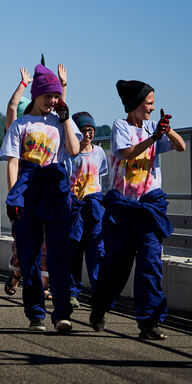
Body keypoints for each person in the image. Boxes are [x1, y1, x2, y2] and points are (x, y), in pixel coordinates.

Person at [90, 81, 185, 340]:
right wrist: (153, 138)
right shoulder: (120, 127)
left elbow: (181, 146)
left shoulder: (154, 127)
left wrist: (167, 129)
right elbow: (128, 154)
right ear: (135, 104)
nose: (152, 108)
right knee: (116, 269)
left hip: (150, 206)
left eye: (154, 103)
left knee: (150, 265)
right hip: (123, 208)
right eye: (149, 103)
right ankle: (99, 307)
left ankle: (149, 322)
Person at [0, 64, 80, 332]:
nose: (52, 101)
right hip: (29, 188)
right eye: (48, 96)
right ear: (36, 95)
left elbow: (74, 149)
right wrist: (14, 197)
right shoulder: (21, 124)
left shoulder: (59, 122)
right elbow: (12, 162)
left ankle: (62, 314)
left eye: (56, 97)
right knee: (30, 254)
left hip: (56, 189)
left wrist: (66, 117)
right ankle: (36, 313)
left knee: (59, 254)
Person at [66, 111, 108, 308]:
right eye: (83, 131)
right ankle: (73, 292)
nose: (87, 135)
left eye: (90, 131)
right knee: (74, 250)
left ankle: (99, 293)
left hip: (95, 207)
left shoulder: (99, 152)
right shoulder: (69, 154)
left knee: (97, 250)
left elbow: (102, 178)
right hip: (75, 207)